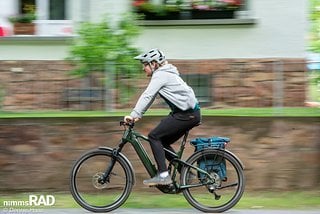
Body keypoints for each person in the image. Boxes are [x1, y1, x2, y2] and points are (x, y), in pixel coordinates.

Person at [124, 48, 201, 186]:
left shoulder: (161, 75)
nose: (143, 68)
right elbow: (151, 97)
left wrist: (134, 114)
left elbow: (147, 95)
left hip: (186, 114)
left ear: (154, 63)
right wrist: (138, 115)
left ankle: (163, 176)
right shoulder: (164, 74)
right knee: (162, 141)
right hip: (186, 114)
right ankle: (185, 172)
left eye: (145, 64)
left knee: (154, 136)